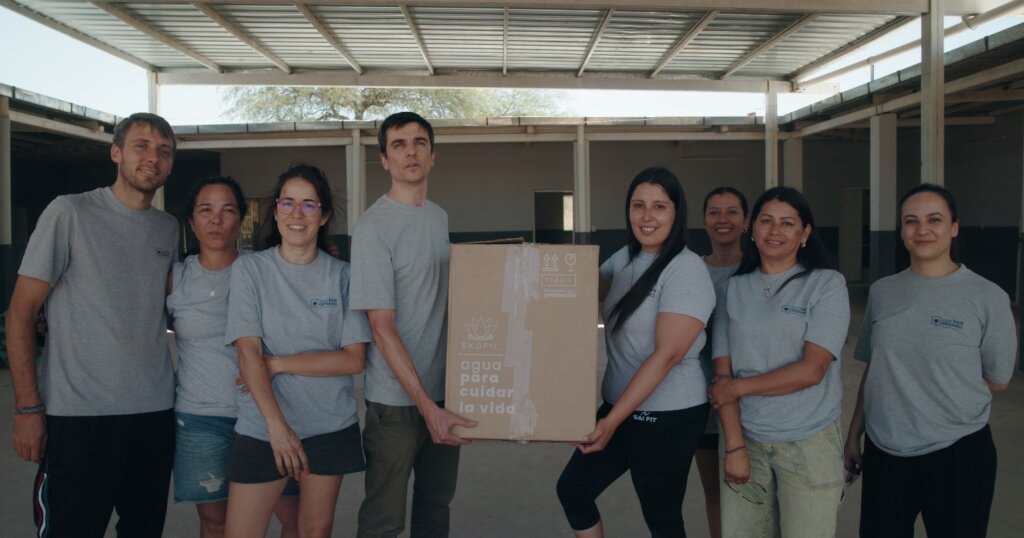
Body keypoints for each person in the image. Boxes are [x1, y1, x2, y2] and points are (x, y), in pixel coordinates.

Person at [7, 112, 180, 536]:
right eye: (141, 146)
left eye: (164, 151)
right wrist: (28, 410)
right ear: (116, 153)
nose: (153, 158)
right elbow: (20, 314)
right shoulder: (69, 212)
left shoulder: (167, 228)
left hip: (153, 414)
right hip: (79, 417)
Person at [844, 183, 1016, 538]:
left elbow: (998, 381)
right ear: (901, 230)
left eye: (934, 219)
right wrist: (854, 433)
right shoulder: (883, 291)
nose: (922, 229)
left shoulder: (988, 297)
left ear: (954, 227)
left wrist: (937, 394)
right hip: (885, 449)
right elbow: (877, 368)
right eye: (911, 220)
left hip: (958, 452)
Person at [556, 166, 715, 537]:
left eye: (659, 206)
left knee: (661, 517)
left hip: (668, 414)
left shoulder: (686, 269)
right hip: (619, 404)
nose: (647, 216)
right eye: (638, 205)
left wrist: (610, 422)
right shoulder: (625, 257)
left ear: (676, 213)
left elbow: (667, 355)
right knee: (574, 490)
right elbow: (579, 291)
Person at [223, 164, 371, 538]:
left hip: (329, 424)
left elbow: (353, 359)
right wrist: (277, 428)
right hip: (263, 426)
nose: (297, 214)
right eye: (288, 203)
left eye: (308, 205)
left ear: (324, 216)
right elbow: (247, 352)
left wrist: (276, 363)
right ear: (275, 211)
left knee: (313, 532)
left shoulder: (344, 276)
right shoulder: (250, 271)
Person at [351, 111, 476, 538]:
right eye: (399, 145)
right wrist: (426, 407)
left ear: (432, 155)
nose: (411, 152)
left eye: (420, 142)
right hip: (396, 403)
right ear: (384, 160)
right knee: (384, 520)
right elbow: (381, 327)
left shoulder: (438, 217)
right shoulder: (373, 228)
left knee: (435, 506)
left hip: (444, 392)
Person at [709, 186, 850, 538]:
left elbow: (812, 370)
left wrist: (737, 388)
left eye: (787, 223)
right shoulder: (732, 289)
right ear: (752, 228)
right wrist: (734, 445)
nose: (775, 231)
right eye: (766, 221)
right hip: (746, 438)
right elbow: (721, 375)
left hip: (810, 440)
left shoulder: (826, 284)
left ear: (805, 232)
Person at [167, 176, 299, 538]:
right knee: (216, 523)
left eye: (227, 210)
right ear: (192, 221)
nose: (216, 220)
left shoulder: (265, 269)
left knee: (295, 519)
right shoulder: (176, 278)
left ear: (240, 220)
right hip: (201, 420)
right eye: (205, 210)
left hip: (265, 415)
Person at [696, 186, 749, 538]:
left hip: (752, 400)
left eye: (732, 211)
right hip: (703, 401)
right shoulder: (692, 272)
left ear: (746, 222)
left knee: (753, 490)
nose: (722, 219)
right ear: (704, 221)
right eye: (714, 212)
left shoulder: (760, 270)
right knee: (715, 490)